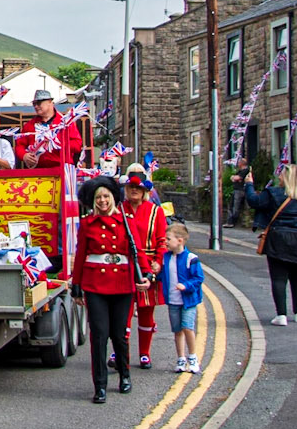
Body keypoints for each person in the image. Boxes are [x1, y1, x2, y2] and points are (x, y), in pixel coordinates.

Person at [71, 184, 138, 404]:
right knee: (99, 336)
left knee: (119, 335)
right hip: (95, 284)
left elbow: (136, 251)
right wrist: (76, 285)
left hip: (122, 282)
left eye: (106, 196)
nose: (102, 201)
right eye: (99, 197)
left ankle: (125, 375)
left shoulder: (126, 221)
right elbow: (80, 254)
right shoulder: (87, 224)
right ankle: (100, 386)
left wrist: (145, 275)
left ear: (113, 198)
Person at [247, 162, 297, 324]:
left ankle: (281, 315)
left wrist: (249, 184)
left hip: (278, 239)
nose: (279, 177)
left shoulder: (273, 193)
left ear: (287, 177)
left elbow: (254, 201)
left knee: (278, 278)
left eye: (281, 174)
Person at [120, 168, 167, 367]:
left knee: (146, 311)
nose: (134, 191)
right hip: (124, 266)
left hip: (147, 267)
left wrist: (158, 261)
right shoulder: (119, 209)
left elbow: (162, 240)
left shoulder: (155, 211)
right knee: (122, 313)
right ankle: (120, 353)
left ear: (145, 191)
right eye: (131, 187)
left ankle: (144, 353)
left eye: (138, 188)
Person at [160, 222, 205, 373]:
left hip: (188, 301)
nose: (165, 242)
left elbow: (198, 278)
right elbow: (163, 276)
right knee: (177, 330)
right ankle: (181, 358)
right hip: (173, 300)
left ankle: (192, 357)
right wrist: (154, 274)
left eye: (168, 239)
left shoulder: (191, 258)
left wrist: (185, 286)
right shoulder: (166, 257)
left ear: (179, 240)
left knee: (187, 327)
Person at [15, 89, 83, 169]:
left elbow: (77, 145)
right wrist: (24, 155)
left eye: (39, 103)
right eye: (34, 104)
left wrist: (56, 143)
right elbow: (19, 145)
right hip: (38, 170)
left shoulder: (66, 123)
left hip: (62, 169)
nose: (36, 106)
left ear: (50, 102)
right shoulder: (29, 125)